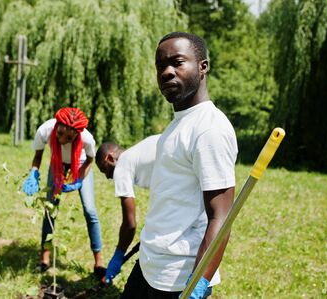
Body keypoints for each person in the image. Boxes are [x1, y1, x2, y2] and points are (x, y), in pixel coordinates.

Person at [120, 32, 238, 299]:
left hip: (179, 277)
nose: (166, 72)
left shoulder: (209, 129)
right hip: (151, 265)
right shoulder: (179, 123)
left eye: (177, 62)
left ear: (202, 66)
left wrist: (198, 282)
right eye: (160, 65)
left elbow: (221, 217)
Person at [23, 107, 105, 278]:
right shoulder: (45, 129)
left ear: (77, 134)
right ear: (57, 125)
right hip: (57, 164)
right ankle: (44, 258)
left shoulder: (87, 139)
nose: (62, 140)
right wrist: (33, 172)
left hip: (80, 163)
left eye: (69, 137)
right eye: (60, 133)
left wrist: (78, 180)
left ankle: (99, 263)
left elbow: (90, 161)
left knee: (90, 211)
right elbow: (38, 157)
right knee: (50, 209)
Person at [95, 134, 160, 283]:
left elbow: (129, 225)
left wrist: (119, 254)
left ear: (110, 158)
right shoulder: (138, 153)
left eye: (104, 170)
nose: (107, 177)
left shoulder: (122, 166)